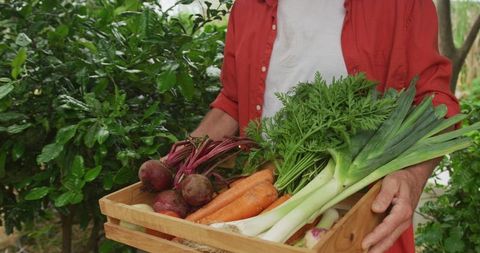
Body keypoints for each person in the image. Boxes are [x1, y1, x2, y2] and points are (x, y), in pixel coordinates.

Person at [188, 0, 460, 252]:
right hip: (258, 203)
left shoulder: (402, 4)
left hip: (358, 220)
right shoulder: (249, 6)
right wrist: (182, 159)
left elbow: (434, 104)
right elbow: (233, 101)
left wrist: (412, 177)